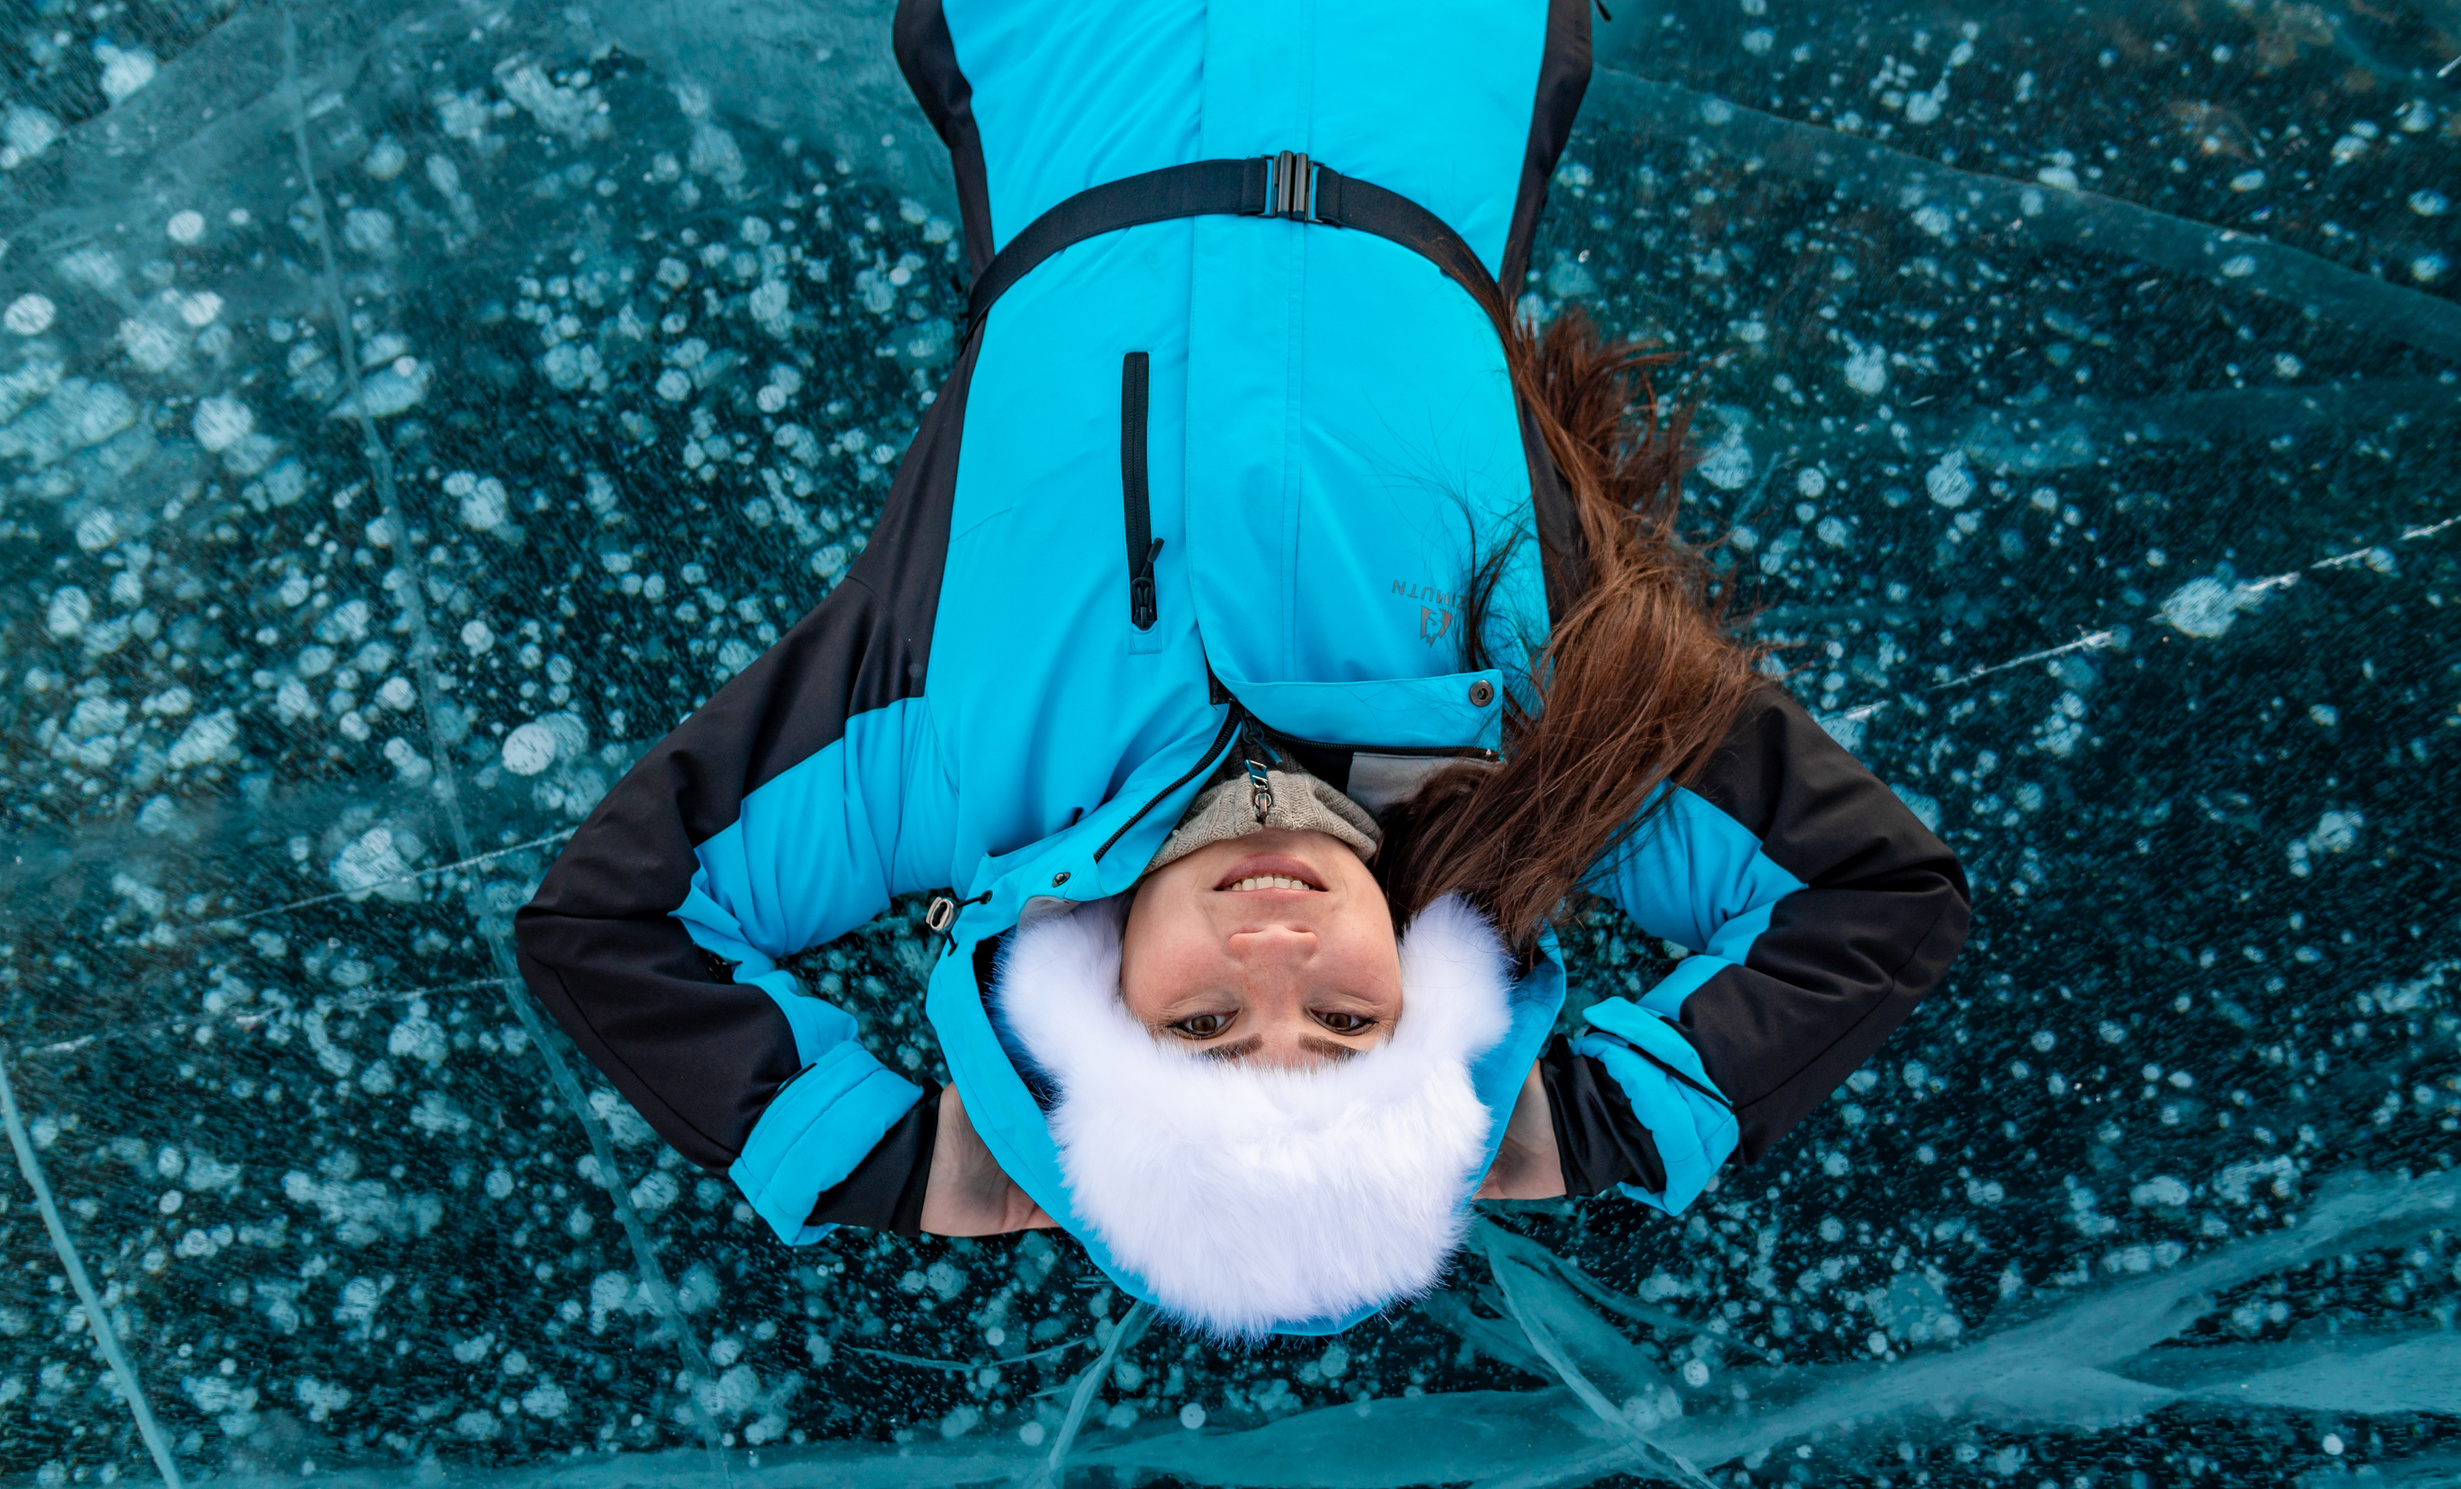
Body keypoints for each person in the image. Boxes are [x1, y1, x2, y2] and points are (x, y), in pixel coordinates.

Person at [515, 0, 1971, 1339]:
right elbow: (1874, 893)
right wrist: (1584, 1121)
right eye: (1348, 1027)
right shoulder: (1538, 738)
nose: (1278, 962)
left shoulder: (937, 762)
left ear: (1093, 1006)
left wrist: (906, 1161)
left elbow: (616, 920)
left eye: (1202, 1029)